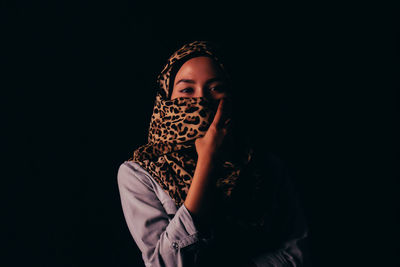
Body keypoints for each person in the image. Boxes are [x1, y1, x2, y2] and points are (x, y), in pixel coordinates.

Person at [117, 41, 310, 267]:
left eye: (215, 88)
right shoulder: (141, 172)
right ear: (167, 100)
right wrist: (208, 161)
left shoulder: (267, 166)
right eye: (187, 90)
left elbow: (296, 255)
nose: (201, 100)